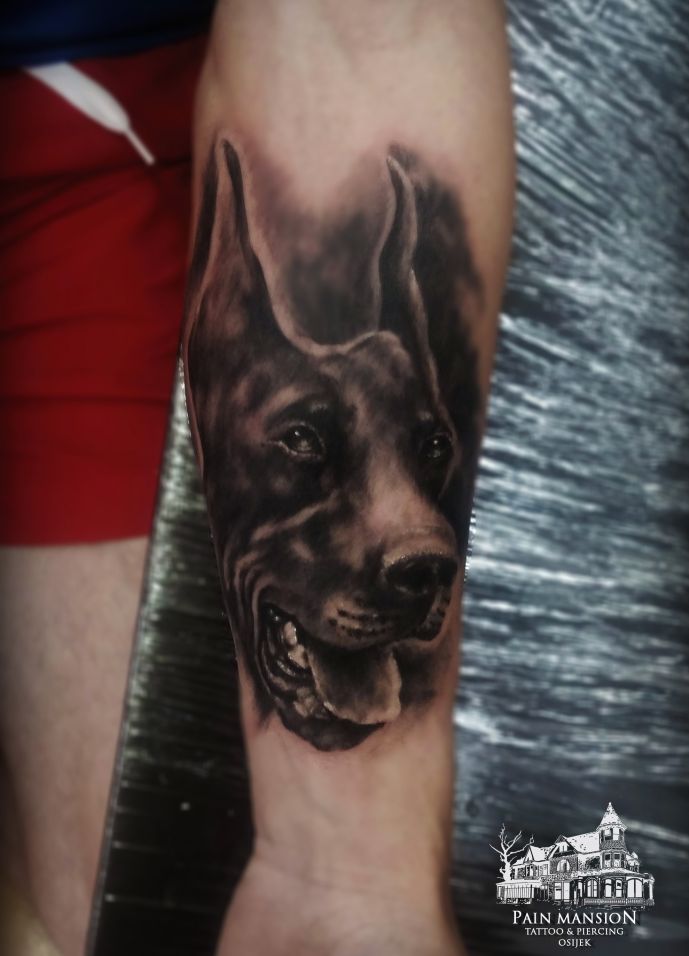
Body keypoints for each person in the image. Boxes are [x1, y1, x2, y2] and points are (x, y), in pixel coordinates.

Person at [0, 2, 515, 954]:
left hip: (87, 123)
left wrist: (347, 873)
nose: (423, 537)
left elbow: (365, 27)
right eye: (306, 443)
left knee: (123, 911)